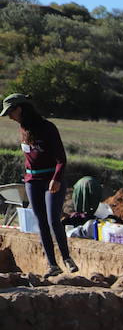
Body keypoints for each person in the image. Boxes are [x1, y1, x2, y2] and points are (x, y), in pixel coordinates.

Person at [0, 93, 79, 277]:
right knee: (41, 221)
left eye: (11, 112)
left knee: (53, 220)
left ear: (20, 109)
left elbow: (61, 158)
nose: (10, 117)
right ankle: (52, 264)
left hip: (52, 180)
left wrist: (56, 178)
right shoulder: (23, 129)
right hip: (32, 182)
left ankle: (66, 257)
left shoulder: (47, 128)